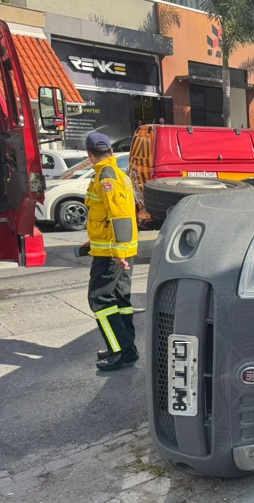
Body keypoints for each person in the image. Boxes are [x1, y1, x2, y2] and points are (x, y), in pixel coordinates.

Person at [83, 132, 140, 371]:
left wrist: (118, 253)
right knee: (119, 299)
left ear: (89, 155)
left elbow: (120, 215)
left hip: (112, 253)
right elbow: (107, 215)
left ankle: (121, 351)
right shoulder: (116, 173)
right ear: (111, 152)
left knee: (100, 299)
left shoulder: (106, 176)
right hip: (117, 249)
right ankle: (126, 347)